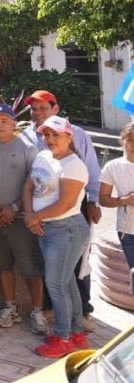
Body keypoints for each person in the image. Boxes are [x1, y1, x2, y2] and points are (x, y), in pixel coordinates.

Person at [22, 89, 100, 328]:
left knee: (72, 271)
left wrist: (94, 201)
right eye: (34, 109)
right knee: (60, 279)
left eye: (43, 108)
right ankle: (66, 321)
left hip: (68, 217)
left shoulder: (77, 137)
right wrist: (31, 215)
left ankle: (72, 324)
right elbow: (30, 183)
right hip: (43, 220)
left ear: (55, 108)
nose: (37, 113)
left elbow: (90, 172)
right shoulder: (30, 139)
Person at [23, 115, 91, 358]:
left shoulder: (74, 165)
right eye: (46, 134)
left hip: (67, 229)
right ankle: (75, 332)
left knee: (56, 284)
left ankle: (63, 338)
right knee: (66, 282)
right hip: (46, 227)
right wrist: (32, 214)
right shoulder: (43, 156)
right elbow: (30, 186)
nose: (50, 139)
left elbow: (67, 203)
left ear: (68, 136)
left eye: (56, 135)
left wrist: (34, 218)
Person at [0, 104, 48, 335]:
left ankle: (37, 311)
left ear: (14, 123)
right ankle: (10, 307)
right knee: (2, 265)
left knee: (30, 266)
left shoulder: (28, 149)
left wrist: (15, 207)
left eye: (4, 120)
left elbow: (36, 182)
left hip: (21, 219)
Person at [100, 123, 134, 269]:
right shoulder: (113, 166)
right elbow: (103, 199)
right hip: (127, 231)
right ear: (122, 141)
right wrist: (125, 200)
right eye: (131, 139)